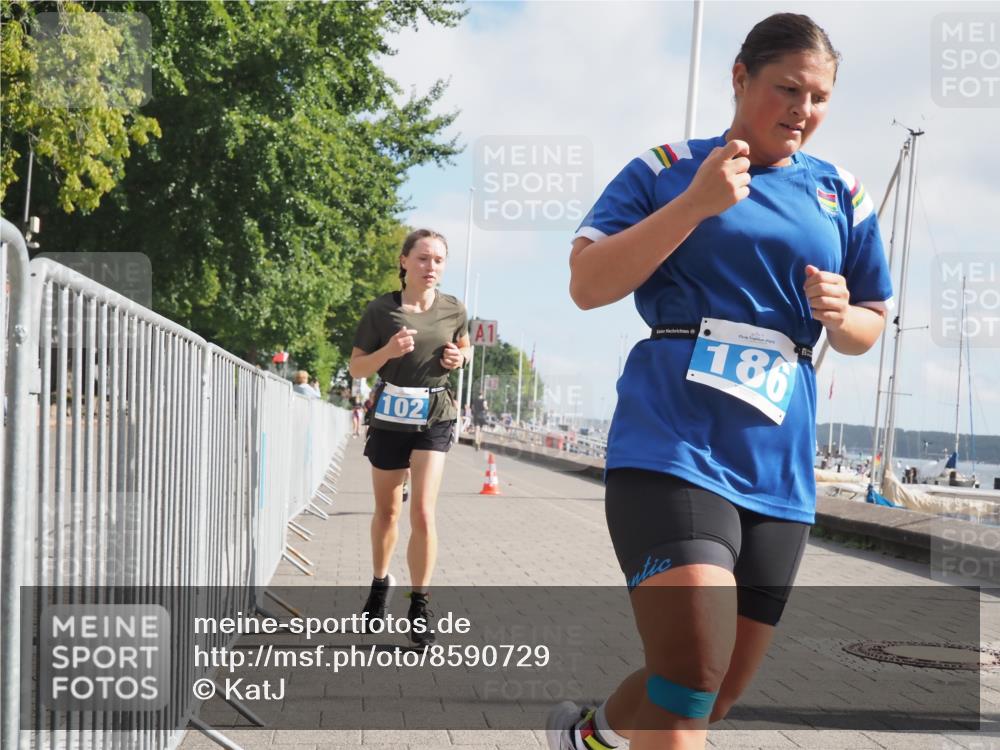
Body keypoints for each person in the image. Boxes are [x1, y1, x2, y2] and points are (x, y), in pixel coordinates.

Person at [547, 14, 893, 750]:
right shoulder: (666, 168)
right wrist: (695, 205)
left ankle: (590, 738)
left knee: (716, 691)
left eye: (820, 97)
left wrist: (842, 315)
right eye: (788, 88)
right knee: (690, 676)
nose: (803, 109)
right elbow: (586, 284)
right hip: (673, 443)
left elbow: (870, 324)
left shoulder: (843, 193)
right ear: (740, 77)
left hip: (778, 465)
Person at [348, 228, 471, 647]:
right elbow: (357, 368)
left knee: (422, 511)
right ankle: (379, 583)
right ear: (404, 262)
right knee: (387, 513)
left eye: (438, 260)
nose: (430, 266)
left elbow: (465, 348)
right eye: (422, 258)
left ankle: (419, 604)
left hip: (435, 414)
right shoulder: (381, 310)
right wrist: (387, 352)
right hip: (389, 415)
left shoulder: (454, 309)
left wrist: (459, 357)